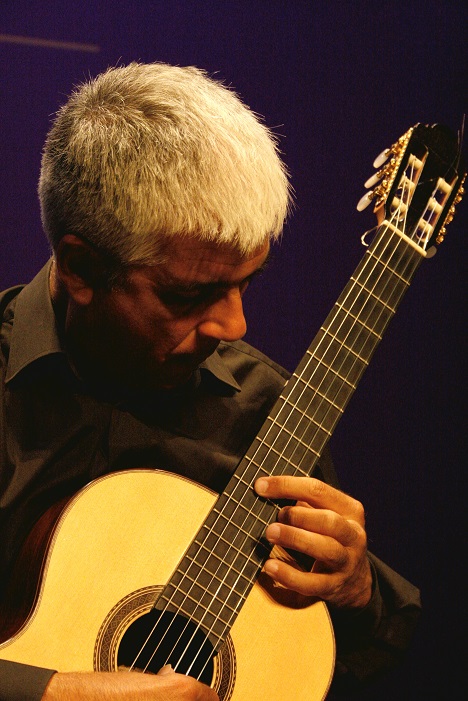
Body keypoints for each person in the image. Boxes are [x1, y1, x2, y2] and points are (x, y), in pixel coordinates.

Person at [0, 62, 421, 700]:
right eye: (189, 294)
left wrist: (359, 591)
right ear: (81, 267)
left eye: (245, 283)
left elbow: (327, 655)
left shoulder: (270, 411)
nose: (234, 323)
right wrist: (57, 690)